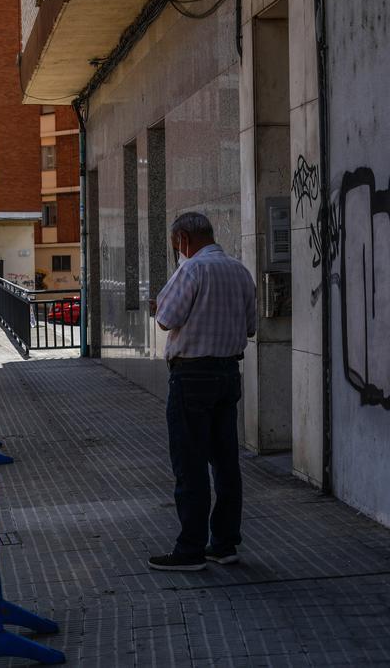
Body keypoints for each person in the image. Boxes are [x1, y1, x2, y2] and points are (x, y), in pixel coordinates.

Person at [148, 212, 256, 572]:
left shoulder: (192, 270)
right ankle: (224, 543)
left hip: (192, 376)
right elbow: (251, 326)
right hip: (228, 373)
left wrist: (160, 308)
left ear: (182, 238)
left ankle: (190, 548)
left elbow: (166, 318)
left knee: (190, 463)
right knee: (225, 461)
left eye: (175, 243)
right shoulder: (240, 271)